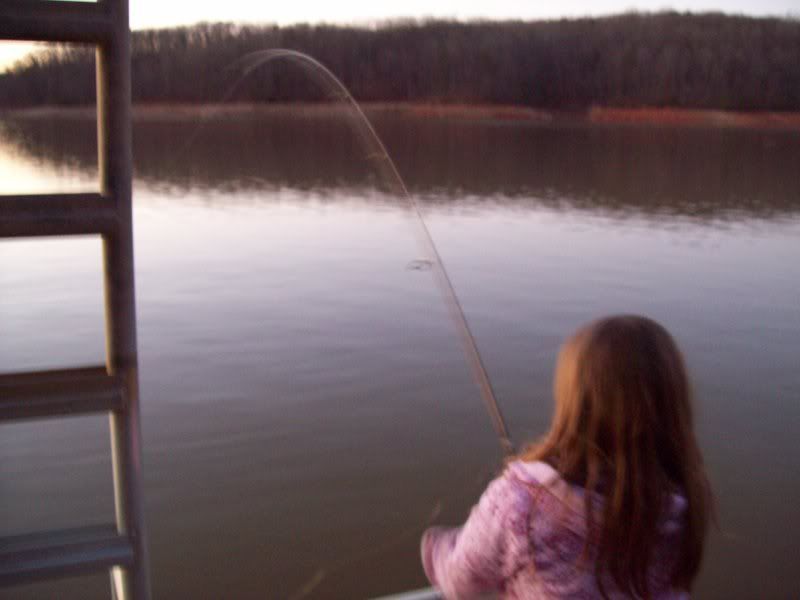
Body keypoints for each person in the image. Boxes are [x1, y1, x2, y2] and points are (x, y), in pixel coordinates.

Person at [421, 315, 713, 599]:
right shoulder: (685, 499)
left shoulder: (519, 502)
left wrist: (436, 547)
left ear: (573, 398)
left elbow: (460, 580)